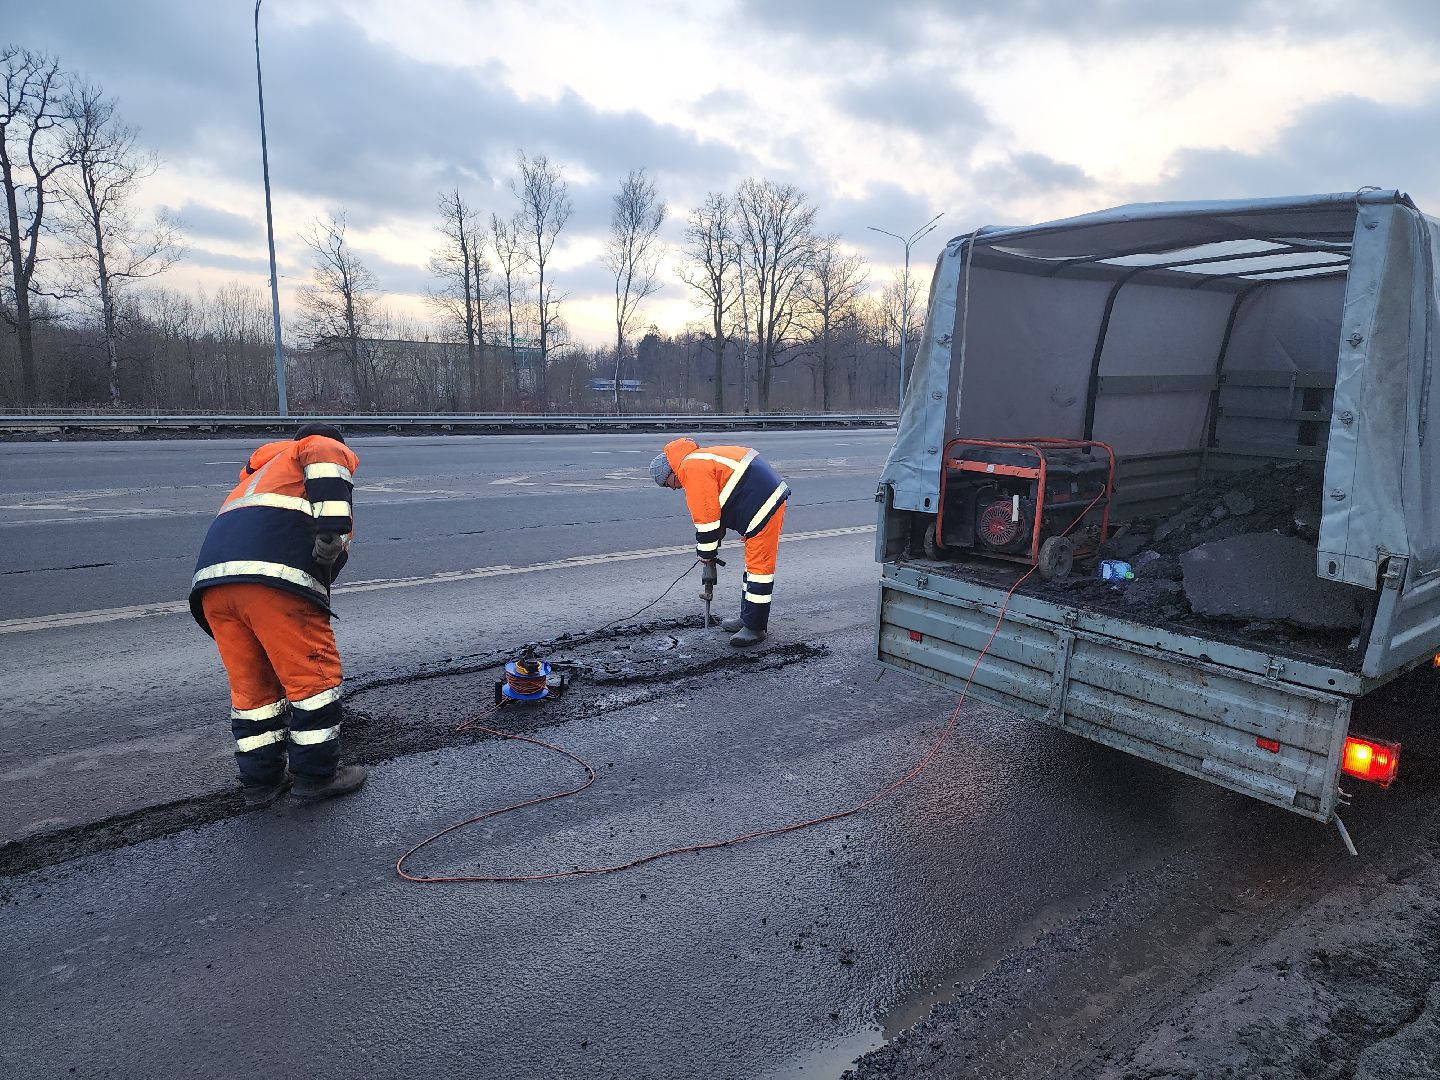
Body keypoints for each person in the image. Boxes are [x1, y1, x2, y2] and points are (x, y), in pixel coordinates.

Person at [189, 423, 367, 808]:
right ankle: (317, 775)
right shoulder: (317, 448)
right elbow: (325, 457)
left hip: (214, 589)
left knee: (254, 690)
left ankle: (261, 782)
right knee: (313, 681)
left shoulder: (263, 476)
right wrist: (331, 531)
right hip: (273, 583)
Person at [651, 437, 789, 646]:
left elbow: (706, 519)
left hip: (763, 503)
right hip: (760, 494)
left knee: (759, 570)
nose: (672, 488)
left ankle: (755, 627)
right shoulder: (696, 460)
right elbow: (717, 505)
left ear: (671, 472)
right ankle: (747, 618)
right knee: (753, 568)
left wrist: (706, 554)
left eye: (667, 484)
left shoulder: (690, 468)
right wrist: (713, 542)